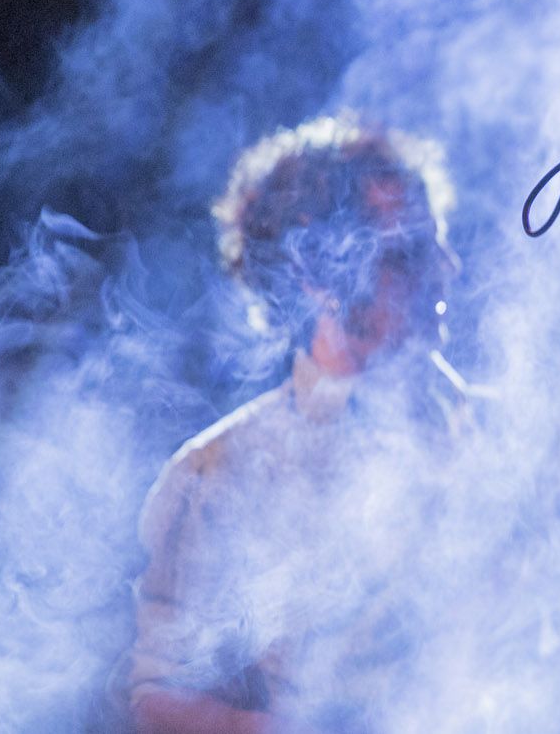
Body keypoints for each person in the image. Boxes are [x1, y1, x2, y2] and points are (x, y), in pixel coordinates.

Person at [127, 114, 489, 734]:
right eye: (407, 251)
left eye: (439, 240)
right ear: (315, 271)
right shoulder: (213, 474)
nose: (447, 268)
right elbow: (159, 702)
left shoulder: (504, 432)